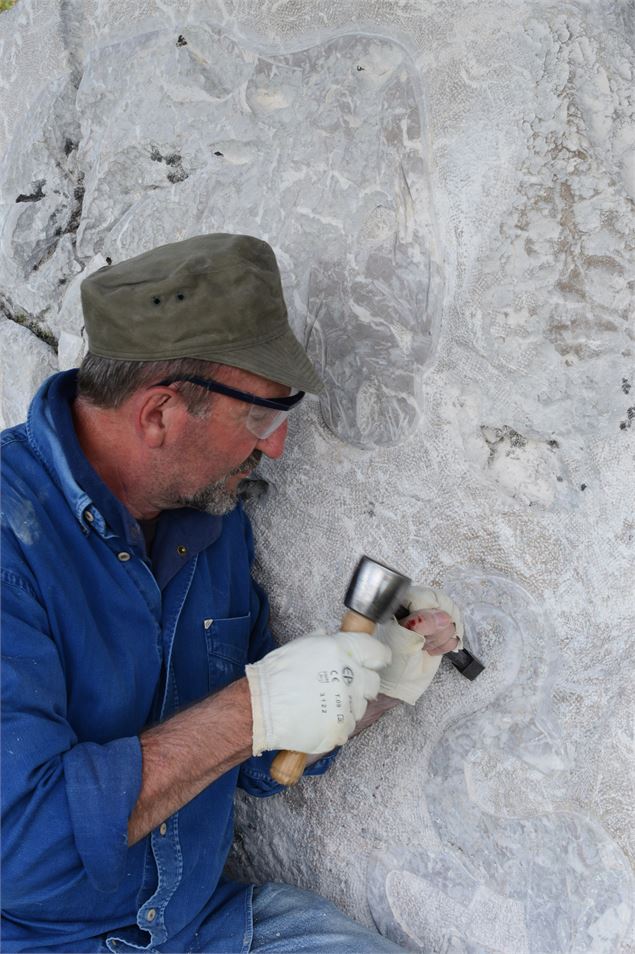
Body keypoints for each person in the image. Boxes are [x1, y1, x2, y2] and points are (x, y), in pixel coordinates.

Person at [1, 234, 462, 953]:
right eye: (262, 420)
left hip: (198, 925)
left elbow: (254, 762)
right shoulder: (11, 541)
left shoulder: (208, 524)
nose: (275, 447)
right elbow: (23, 853)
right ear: (158, 414)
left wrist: (381, 683)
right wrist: (254, 706)